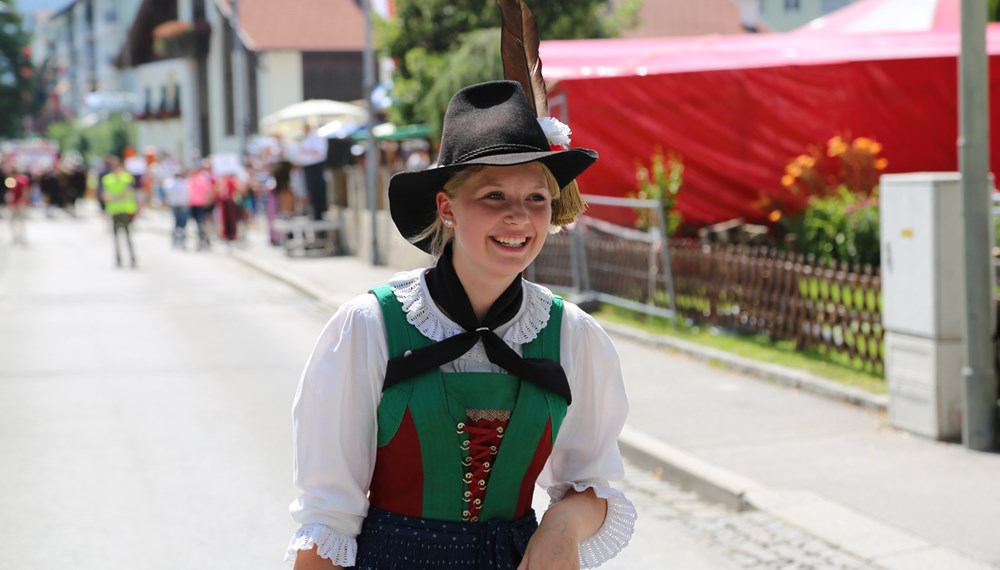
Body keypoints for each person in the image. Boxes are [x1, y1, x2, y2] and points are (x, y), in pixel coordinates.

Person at [285, 81, 636, 570]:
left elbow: (591, 484)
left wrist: (562, 525)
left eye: (536, 198)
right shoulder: (370, 327)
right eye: (494, 196)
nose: (519, 217)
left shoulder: (572, 335)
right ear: (447, 209)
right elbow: (328, 517)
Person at [101, 157, 139, 268]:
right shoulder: (107, 179)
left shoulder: (127, 178)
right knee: (116, 238)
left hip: (125, 210)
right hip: (114, 211)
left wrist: (114, 197)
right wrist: (116, 197)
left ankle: (132, 258)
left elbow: (126, 193)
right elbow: (105, 196)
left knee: (128, 237)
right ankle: (118, 259)